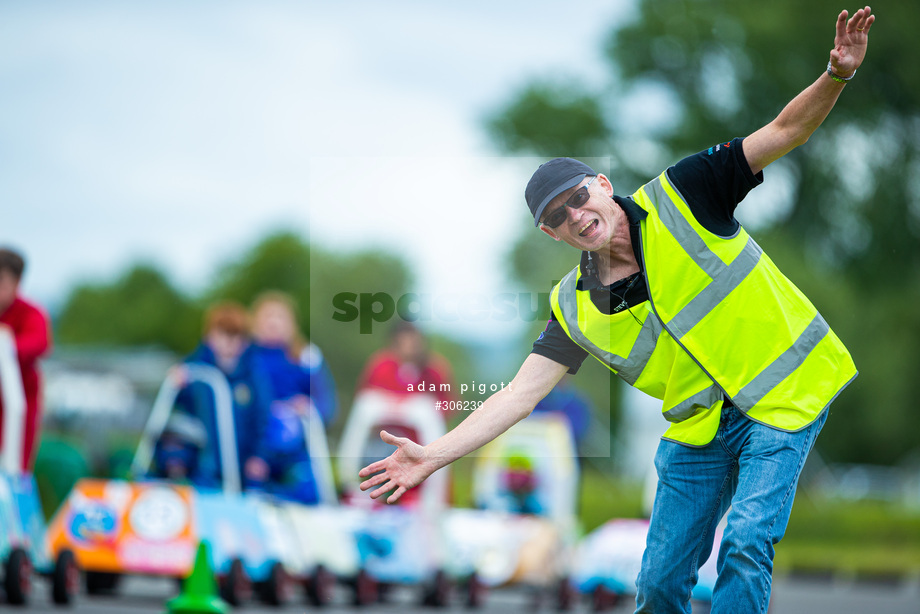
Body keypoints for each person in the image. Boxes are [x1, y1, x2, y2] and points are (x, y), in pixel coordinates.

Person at [359, 8, 874, 613]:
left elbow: (785, 130)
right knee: (657, 582)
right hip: (699, 429)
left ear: (601, 185)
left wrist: (835, 76)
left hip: (785, 396)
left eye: (577, 198)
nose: (575, 216)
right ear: (553, 236)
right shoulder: (574, 308)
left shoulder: (686, 192)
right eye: (557, 218)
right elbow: (517, 396)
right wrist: (434, 453)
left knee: (744, 545)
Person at [161, 302, 273, 489]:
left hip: (242, 460)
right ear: (210, 337)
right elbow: (179, 410)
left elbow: (262, 418)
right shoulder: (196, 371)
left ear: (245, 341)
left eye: (236, 335)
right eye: (223, 334)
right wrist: (177, 381)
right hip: (204, 462)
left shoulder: (254, 376)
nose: (229, 342)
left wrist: (259, 456)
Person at [250, 291, 338, 503]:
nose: (273, 322)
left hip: (295, 450)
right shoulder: (245, 357)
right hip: (254, 446)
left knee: (308, 489)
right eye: (267, 316)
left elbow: (327, 406)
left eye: (279, 317)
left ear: (291, 324)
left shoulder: (306, 357)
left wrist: (308, 406)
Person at [0, 247, 53, 472]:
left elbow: (39, 343)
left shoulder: (31, 313)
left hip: (19, 403)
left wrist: (6, 345)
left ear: (17, 282)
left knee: (16, 466)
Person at [358, 321, 456, 409]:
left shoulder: (434, 369)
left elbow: (449, 403)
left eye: (414, 343)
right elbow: (364, 393)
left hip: (418, 424)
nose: (410, 348)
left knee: (425, 406)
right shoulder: (381, 364)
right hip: (384, 421)